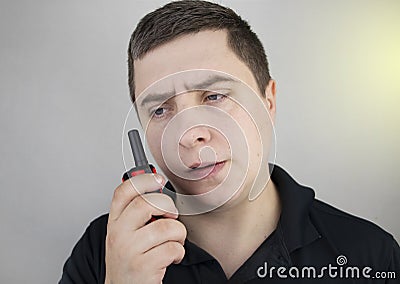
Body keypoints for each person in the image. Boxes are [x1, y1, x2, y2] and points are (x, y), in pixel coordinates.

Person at [60, 1, 400, 283]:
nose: (189, 133)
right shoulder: (104, 251)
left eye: (214, 96)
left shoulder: (368, 254)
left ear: (268, 103)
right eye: (161, 109)